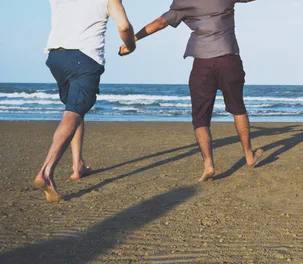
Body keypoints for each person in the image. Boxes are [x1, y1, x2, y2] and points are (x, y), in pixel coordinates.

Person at [120, 0, 262, 182]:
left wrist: (133, 40)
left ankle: (208, 165)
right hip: (228, 59)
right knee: (237, 108)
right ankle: (249, 155)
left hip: (202, 63)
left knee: (200, 117)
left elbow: (160, 23)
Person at [35, 0, 136, 203]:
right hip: (84, 59)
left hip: (56, 57)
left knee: (75, 109)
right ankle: (45, 173)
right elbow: (124, 26)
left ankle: (77, 166)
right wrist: (130, 45)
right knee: (73, 113)